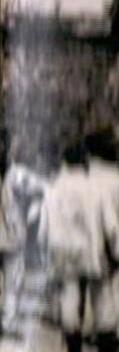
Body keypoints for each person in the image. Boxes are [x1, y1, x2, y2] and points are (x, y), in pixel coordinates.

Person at [41, 144, 119, 352]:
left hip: (63, 251)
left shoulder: (53, 189)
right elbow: (112, 225)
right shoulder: (95, 188)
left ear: (65, 162)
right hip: (92, 250)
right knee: (102, 297)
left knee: (69, 297)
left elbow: (43, 227)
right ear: (85, 161)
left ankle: (74, 351)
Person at [84, 131, 119, 352]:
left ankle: (98, 328)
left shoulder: (83, 177)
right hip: (116, 239)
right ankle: (115, 331)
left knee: (96, 288)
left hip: (88, 241)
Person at [0, 130, 47, 340]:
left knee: (13, 282)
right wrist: (32, 213)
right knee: (12, 283)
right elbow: (44, 190)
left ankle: (7, 322)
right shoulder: (18, 174)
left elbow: (42, 191)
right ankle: (7, 323)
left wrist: (32, 212)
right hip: (12, 235)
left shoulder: (18, 174)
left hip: (12, 235)